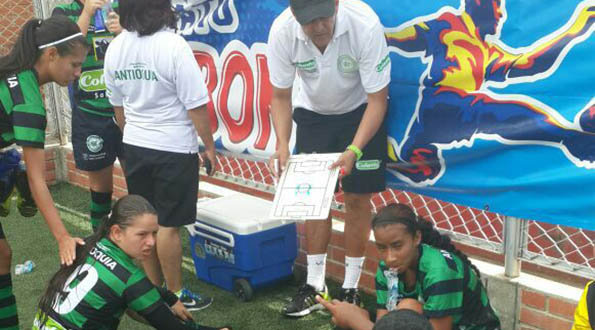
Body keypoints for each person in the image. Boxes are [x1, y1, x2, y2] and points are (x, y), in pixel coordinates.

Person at [266, 0, 391, 317]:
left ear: (336, 4)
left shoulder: (364, 23)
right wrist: (282, 143)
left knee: (357, 199)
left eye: (325, 16)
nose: (319, 26)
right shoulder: (281, 31)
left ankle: (350, 287)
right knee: (314, 200)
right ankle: (315, 283)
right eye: (309, 20)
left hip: (361, 113)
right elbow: (280, 96)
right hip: (313, 116)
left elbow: (378, 99)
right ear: (294, 15)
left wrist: (356, 149)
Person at [385, 0, 595, 184]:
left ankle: (572, 138)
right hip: (446, 103)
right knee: (514, 114)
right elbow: (402, 37)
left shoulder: (487, 51)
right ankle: (572, 138)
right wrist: (372, 36)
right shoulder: (447, 26)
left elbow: (530, 63)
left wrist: (573, 31)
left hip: (433, 116)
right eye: (497, 7)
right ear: (479, 3)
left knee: (422, 168)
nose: (501, 15)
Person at [103, 0, 217, 311]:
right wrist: (208, 145)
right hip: (172, 146)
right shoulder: (173, 45)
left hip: (136, 144)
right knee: (168, 224)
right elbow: (195, 104)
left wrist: (132, 136)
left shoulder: (117, 46)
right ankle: (178, 295)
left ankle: (153, 293)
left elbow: (118, 106)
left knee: (145, 221)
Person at [0, 16, 88, 330]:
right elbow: (39, 180)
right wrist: (62, 237)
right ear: (51, 55)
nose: (77, 73)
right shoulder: (29, 101)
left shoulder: (15, 74)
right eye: (75, 65)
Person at [34, 195, 231, 330]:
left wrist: (170, 298)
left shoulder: (90, 242)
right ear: (117, 232)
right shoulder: (130, 279)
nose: (151, 242)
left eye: (154, 233)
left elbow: (140, 290)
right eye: (142, 235)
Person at [318, 203, 501, 330]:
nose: (389, 258)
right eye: (381, 247)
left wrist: (357, 321)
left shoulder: (440, 272)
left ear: (416, 238)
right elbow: (386, 323)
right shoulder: (386, 269)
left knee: (408, 306)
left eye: (397, 246)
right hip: (425, 321)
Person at [52, 0, 125, 233]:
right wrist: (86, 12)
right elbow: (67, 51)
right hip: (91, 112)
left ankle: (139, 245)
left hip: (127, 110)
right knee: (101, 187)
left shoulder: (122, 6)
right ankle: (100, 242)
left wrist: (124, 30)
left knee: (139, 183)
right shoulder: (64, 12)